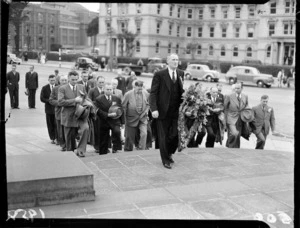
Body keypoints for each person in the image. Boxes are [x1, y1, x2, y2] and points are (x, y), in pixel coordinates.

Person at [149, 53, 184, 169]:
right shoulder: (159, 75)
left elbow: (181, 91)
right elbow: (153, 93)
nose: (176, 61)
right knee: (163, 137)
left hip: (175, 111)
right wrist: (154, 109)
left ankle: (169, 153)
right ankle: (165, 160)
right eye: (173, 59)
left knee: (174, 135)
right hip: (162, 111)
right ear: (168, 61)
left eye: (177, 59)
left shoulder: (180, 73)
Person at [58, 71, 88, 156]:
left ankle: (81, 150)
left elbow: (86, 97)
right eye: (72, 79)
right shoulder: (62, 88)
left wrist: (87, 103)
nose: (75, 81)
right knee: (70, 137)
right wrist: (74, 101)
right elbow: (60, 102)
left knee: (85, 128)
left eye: (76, 79)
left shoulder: (81, 87)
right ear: (68, 78)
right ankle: (70, 153)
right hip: (69, 116)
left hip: (81, 115)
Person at [94, 83, 125, 155]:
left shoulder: (116, 98)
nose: (109, 91)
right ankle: (103, 153)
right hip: (104, 121)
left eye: (110, 89)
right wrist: (107, 115)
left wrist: (123, 122)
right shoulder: (99, 99)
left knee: (117, 132)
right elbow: (98, 110)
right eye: (107, 89)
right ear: (104, 90)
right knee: (103, 138)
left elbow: (121, 110)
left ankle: (116, 148)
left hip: (115, 120)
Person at [122, 80, 149, 151]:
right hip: (131, 119)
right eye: (138, 89)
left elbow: (148, 104)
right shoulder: (128, 94)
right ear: (134, 87)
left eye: (141, 88)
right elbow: (123, 106)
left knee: (144, 134)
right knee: (129, 138)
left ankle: (141, 150)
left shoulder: (145, 93)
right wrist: (123, 119)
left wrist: (146, 112)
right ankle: (128, 151)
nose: (140, 90)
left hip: (143, 118)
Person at [224, 83, 251, 148]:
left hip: (241, 119)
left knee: (238, 135)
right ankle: (230, 147)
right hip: (231, 118)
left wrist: (248, 114)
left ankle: (235, 149)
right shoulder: (229, 96)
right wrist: (225, 120)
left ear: (242, 88)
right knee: (234, 134)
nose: (236, 90)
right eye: (235, 88)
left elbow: (247, 106)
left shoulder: (245, 96)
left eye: (238, 88)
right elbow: (225, 108)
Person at [49, 75, 68, 151]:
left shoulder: (69, 88)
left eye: (65, 80)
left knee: (69, 129)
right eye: (62, 80)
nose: (64, 82)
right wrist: (60, 103)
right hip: (59, 112)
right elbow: (51, 100)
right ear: (59, 81)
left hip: (69, 112)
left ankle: (69, 143)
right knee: (60, 130)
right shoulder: (55, 89)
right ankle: (63, 144)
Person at [88, 76, 106, 153]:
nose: (101, 84)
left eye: (102, 82)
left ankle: (104, 146)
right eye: (100, 82)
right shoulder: (92, 90)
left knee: (105, 130)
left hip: (105, 113)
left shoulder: (106, 90)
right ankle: (97, 146)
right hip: (96, 113)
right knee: (97, 130)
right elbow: (89, 100)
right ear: (96, 82)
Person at [40, 75, 57, 144]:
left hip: (56, 109)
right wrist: (49, 101)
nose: (52, 82)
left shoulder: (58, 87)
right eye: (51, 80)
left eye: (53, 80)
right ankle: (52, 138)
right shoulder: (45, 88)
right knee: (50, 124)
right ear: (48, 80)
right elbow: (42, 98)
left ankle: (56, 137)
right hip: (49, 109)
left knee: (56, 124)